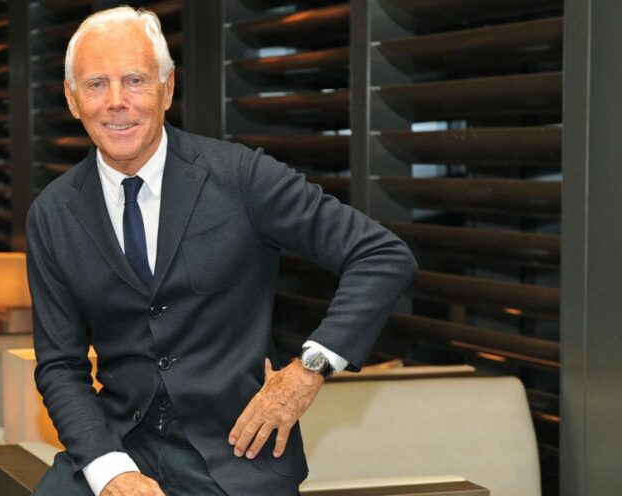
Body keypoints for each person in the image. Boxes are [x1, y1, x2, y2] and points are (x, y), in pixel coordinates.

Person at [26, 6, 417, 496]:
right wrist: (111, 472)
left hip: (237, 450)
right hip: (119, 442)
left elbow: (381, 255)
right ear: (72, 98)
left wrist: (308, 371)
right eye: (96, 84)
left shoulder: (240, 176)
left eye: (135, 81)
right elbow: (60, 366)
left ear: (167, 88)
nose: (116, 102)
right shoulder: (52, 214)